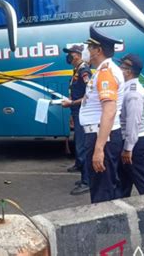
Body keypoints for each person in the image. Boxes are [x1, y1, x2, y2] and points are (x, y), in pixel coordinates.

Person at [79, 25, 125, 203]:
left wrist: (98, 149)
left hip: (101, 137)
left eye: (90, 47)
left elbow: (109, 110)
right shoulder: (103, 71)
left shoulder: (106, 73)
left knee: (102, 193)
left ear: (98, 50)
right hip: (101, 135)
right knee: (104, 188)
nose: (87, 50)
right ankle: (111, 229)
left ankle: (106, 230)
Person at [118, 54, 144, 197]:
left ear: (128, 71)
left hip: (136, 143)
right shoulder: (127, 88)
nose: (119, 69)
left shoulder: (133, 93)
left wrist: (128, 149)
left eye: (121, 67)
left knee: (142, 182)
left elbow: (133, 122)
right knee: (123, 182)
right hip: (133, 141)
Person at [61, 44, 92, 195]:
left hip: (83, 114)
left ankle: (87, 182)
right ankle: (84, 177)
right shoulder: (77, 70)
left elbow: (90, 95)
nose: (69, 56)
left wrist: (72, 103)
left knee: (83, 148)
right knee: (79, 146)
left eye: (70, 54)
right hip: (77, 113)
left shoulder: (84, 71)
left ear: (78, 55)